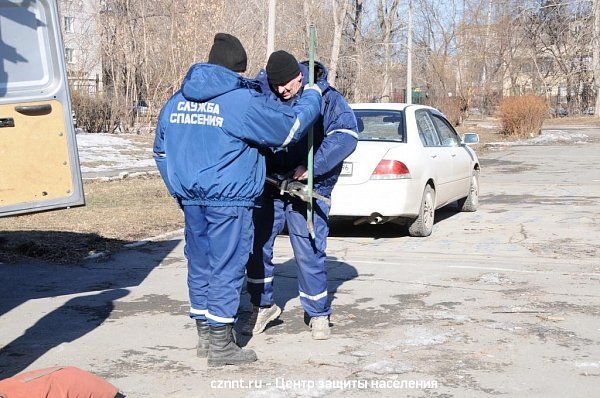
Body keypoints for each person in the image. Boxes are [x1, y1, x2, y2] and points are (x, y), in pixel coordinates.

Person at [153, 34, 323, 367]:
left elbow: (161, 151)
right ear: (237, 69)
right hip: (229, 201)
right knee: (227, 268)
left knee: (200, 264)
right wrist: (313, 98)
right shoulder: (239, 102)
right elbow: (287, 129)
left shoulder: (176, 101)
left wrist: (178, 188)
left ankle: (204, 337)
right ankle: (221, 347)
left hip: (191, 200)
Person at [244, 50, 358, 340]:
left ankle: (317, 312)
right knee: (257, 247)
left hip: (309, 186)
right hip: (269, 184)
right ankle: (262, 305)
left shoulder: (327, 97)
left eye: (288, 84)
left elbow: (346, 136)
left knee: (309, 248)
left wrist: (312, 167)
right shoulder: (261, 93)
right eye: (276, 85)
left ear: (299, 77)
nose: (282, 91)